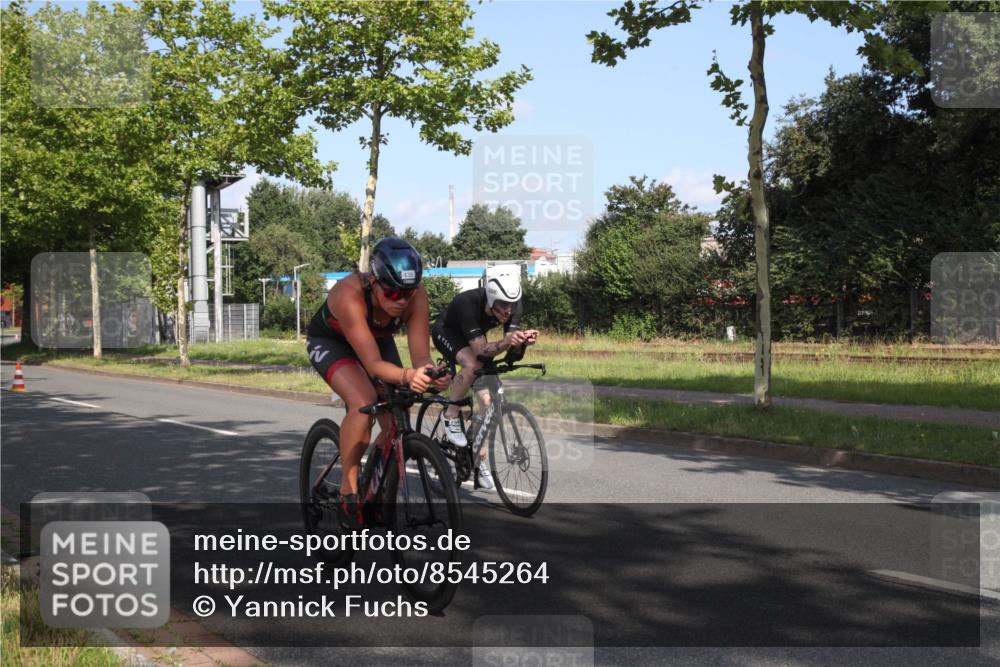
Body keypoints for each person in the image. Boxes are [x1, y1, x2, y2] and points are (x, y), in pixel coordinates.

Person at [305, 237, 449, 528]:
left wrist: (432, 373)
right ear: (374, 281)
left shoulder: (416, 296)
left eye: (407, 293)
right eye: (393, 292)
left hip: (377, 342)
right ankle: (348, 487)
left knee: (396, 411)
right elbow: (372, 365)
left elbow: (421, 355)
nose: (401, 300)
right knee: (364, 401)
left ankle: (376, 483)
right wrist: (408, 375)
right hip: (333, 343)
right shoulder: (350, 295)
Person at [431, 264, 539, 490]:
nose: (508, 310)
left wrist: (521, 344)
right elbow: (480, 351)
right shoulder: (467, 302)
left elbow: (509, 354)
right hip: (447, 333)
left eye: (512, 304)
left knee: (489, 404)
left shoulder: (513, 307)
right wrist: (507, 341)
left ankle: (479, 463)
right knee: (471, 366)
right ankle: (450, 414)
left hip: (476, 340)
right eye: (502, 304)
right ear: (490, 298)